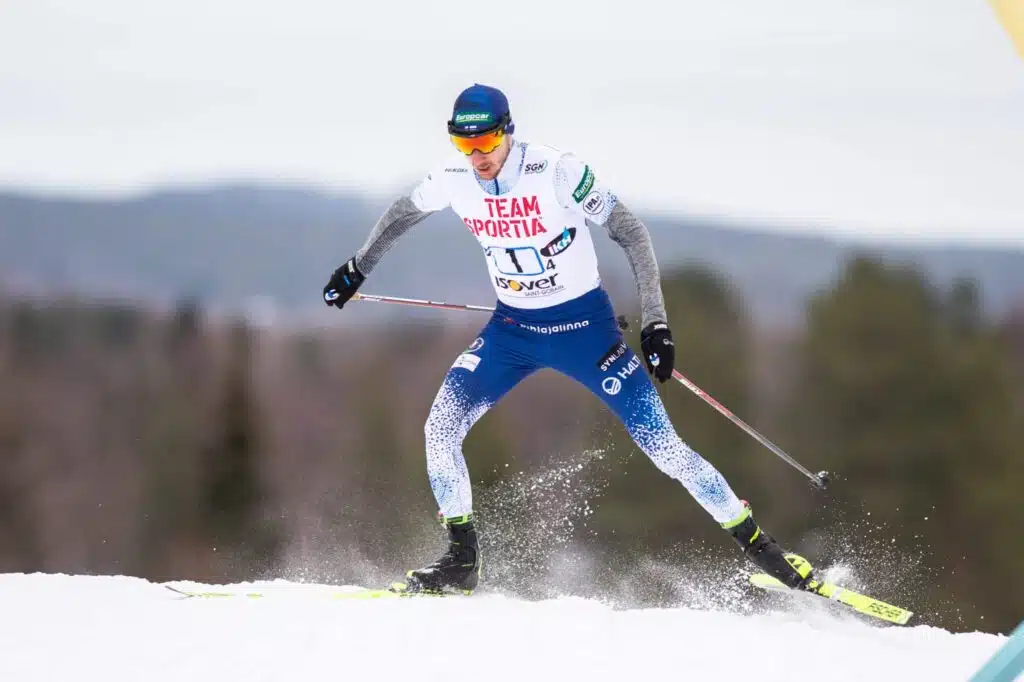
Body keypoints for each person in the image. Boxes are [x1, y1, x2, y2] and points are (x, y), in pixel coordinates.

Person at [323, 83, 815, 595]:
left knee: (666, 449)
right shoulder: (455, 180)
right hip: (512, 332)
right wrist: (359, 267)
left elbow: (631, 231)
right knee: (439, 430)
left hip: (587, 335)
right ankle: (461, 559)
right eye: (463, 145)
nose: (477, 157)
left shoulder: (556, 172)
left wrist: (656, 322)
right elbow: (404, 211)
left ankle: (763, 548)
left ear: (508, 133)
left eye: (486, 143)